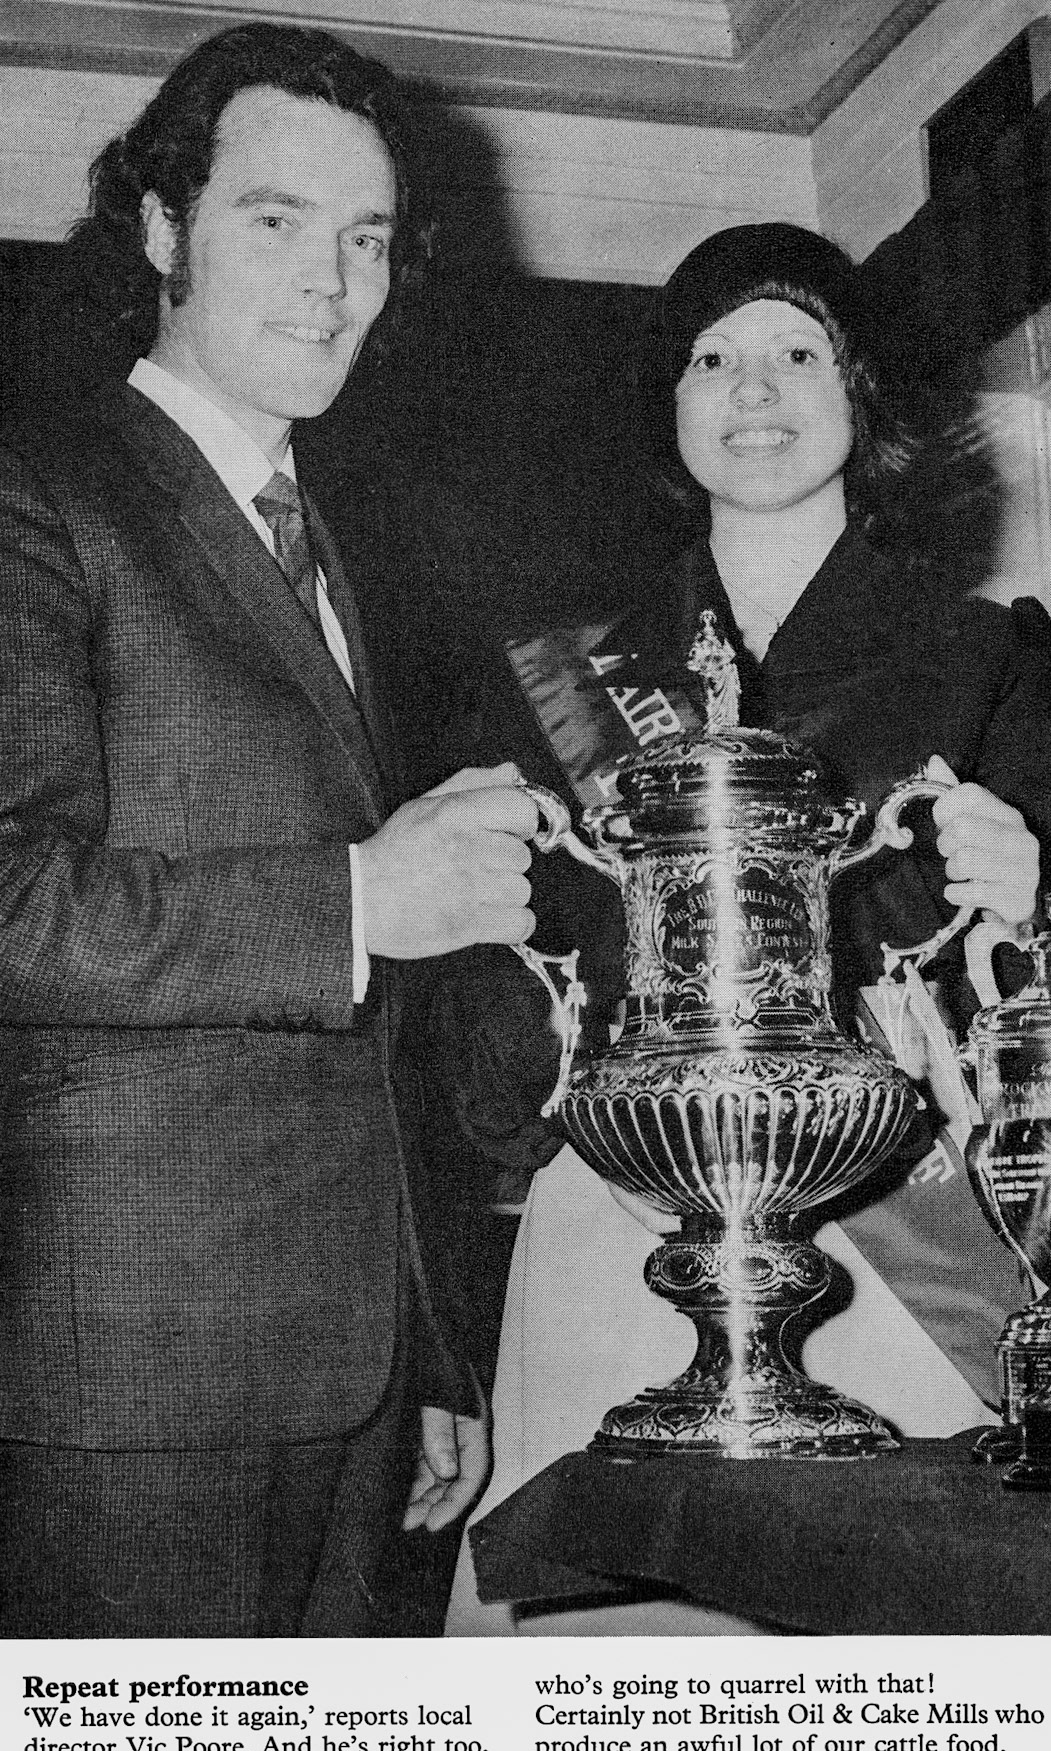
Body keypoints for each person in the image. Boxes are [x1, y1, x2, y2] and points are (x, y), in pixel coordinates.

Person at [0, 21, 543, 1638]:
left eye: (366, 237)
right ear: (161, 227)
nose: (331, 281)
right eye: (275, 219)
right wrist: (363, 897)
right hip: (132, 1374)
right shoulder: (37, 488)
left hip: (351, 1375)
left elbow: (370, 1039)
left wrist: (425, 1347)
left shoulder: (323, 540)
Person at [442, 222, 1051, 1636]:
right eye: (713, 359)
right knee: (618, 1660)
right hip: (623, 1215)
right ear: (669, 406)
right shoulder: (557, 673)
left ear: (862, 395)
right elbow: (484, 987)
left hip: (897, 1227)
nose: (755, 390)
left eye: (798, 354)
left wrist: (1034, 894)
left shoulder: (993, 658)